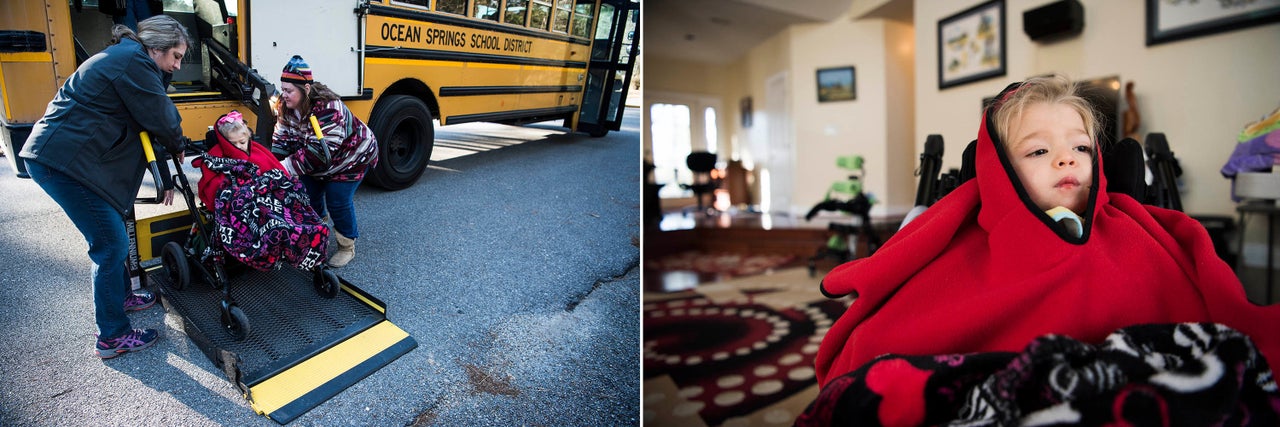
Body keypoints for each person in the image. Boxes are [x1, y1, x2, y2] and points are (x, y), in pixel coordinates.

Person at [812, 74, 1280, 389]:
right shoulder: (969, 240)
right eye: (1038, 152)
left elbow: (1199, 307)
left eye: (1080, 146)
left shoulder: (1134, 229)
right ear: (998, 170)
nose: (1066, 159)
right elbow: (892, 334)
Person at [19, 15, 190, 359]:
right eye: (176, 56)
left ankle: (122, 296)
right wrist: (178, 143)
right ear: (156, 48)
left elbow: (143, 122)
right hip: (64, 163)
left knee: (113, 232)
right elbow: (163, 117)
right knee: (110, 244)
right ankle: (112, 336)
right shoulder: (134, 62)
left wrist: (167, 160)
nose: (178, 65)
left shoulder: (129, 59)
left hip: (71, 160)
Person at [272, 55, 379, 268]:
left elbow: (318, 154)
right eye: (282, 89)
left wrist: (283, 167)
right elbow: (281, 137)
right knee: (307, 194)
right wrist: (272, 163)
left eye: (289, 90)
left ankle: (346, 245)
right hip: (322, 161)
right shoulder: (286, 106)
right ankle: (318, 232)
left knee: (337, 199)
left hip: (352, 158)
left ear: (306, 89)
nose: (284, 95)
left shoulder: (329, 108)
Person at [193, 111, 328, 271]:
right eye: (233, 144)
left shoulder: (257, 150)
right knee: (277, 226)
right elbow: (214, 191)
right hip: (249, 208)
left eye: (242, 142)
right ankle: (279, 247)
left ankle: (306, 245)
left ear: (248, 136)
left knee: (304, 215)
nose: (239, 147)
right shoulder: (216, 158)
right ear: (224, 142)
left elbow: (279, 173)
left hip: (271, 198)